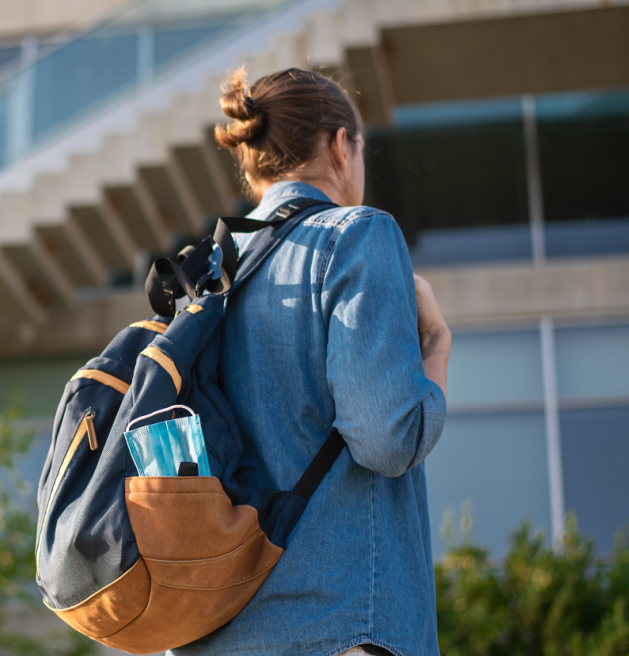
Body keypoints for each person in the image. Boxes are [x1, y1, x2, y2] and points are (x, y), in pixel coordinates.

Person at [170, 67, 452, 655]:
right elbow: (387, 439)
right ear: (341, 146)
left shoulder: (208, 273)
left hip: (208, 632)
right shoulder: (356, 234)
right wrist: (436, 352)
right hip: (338, 626)